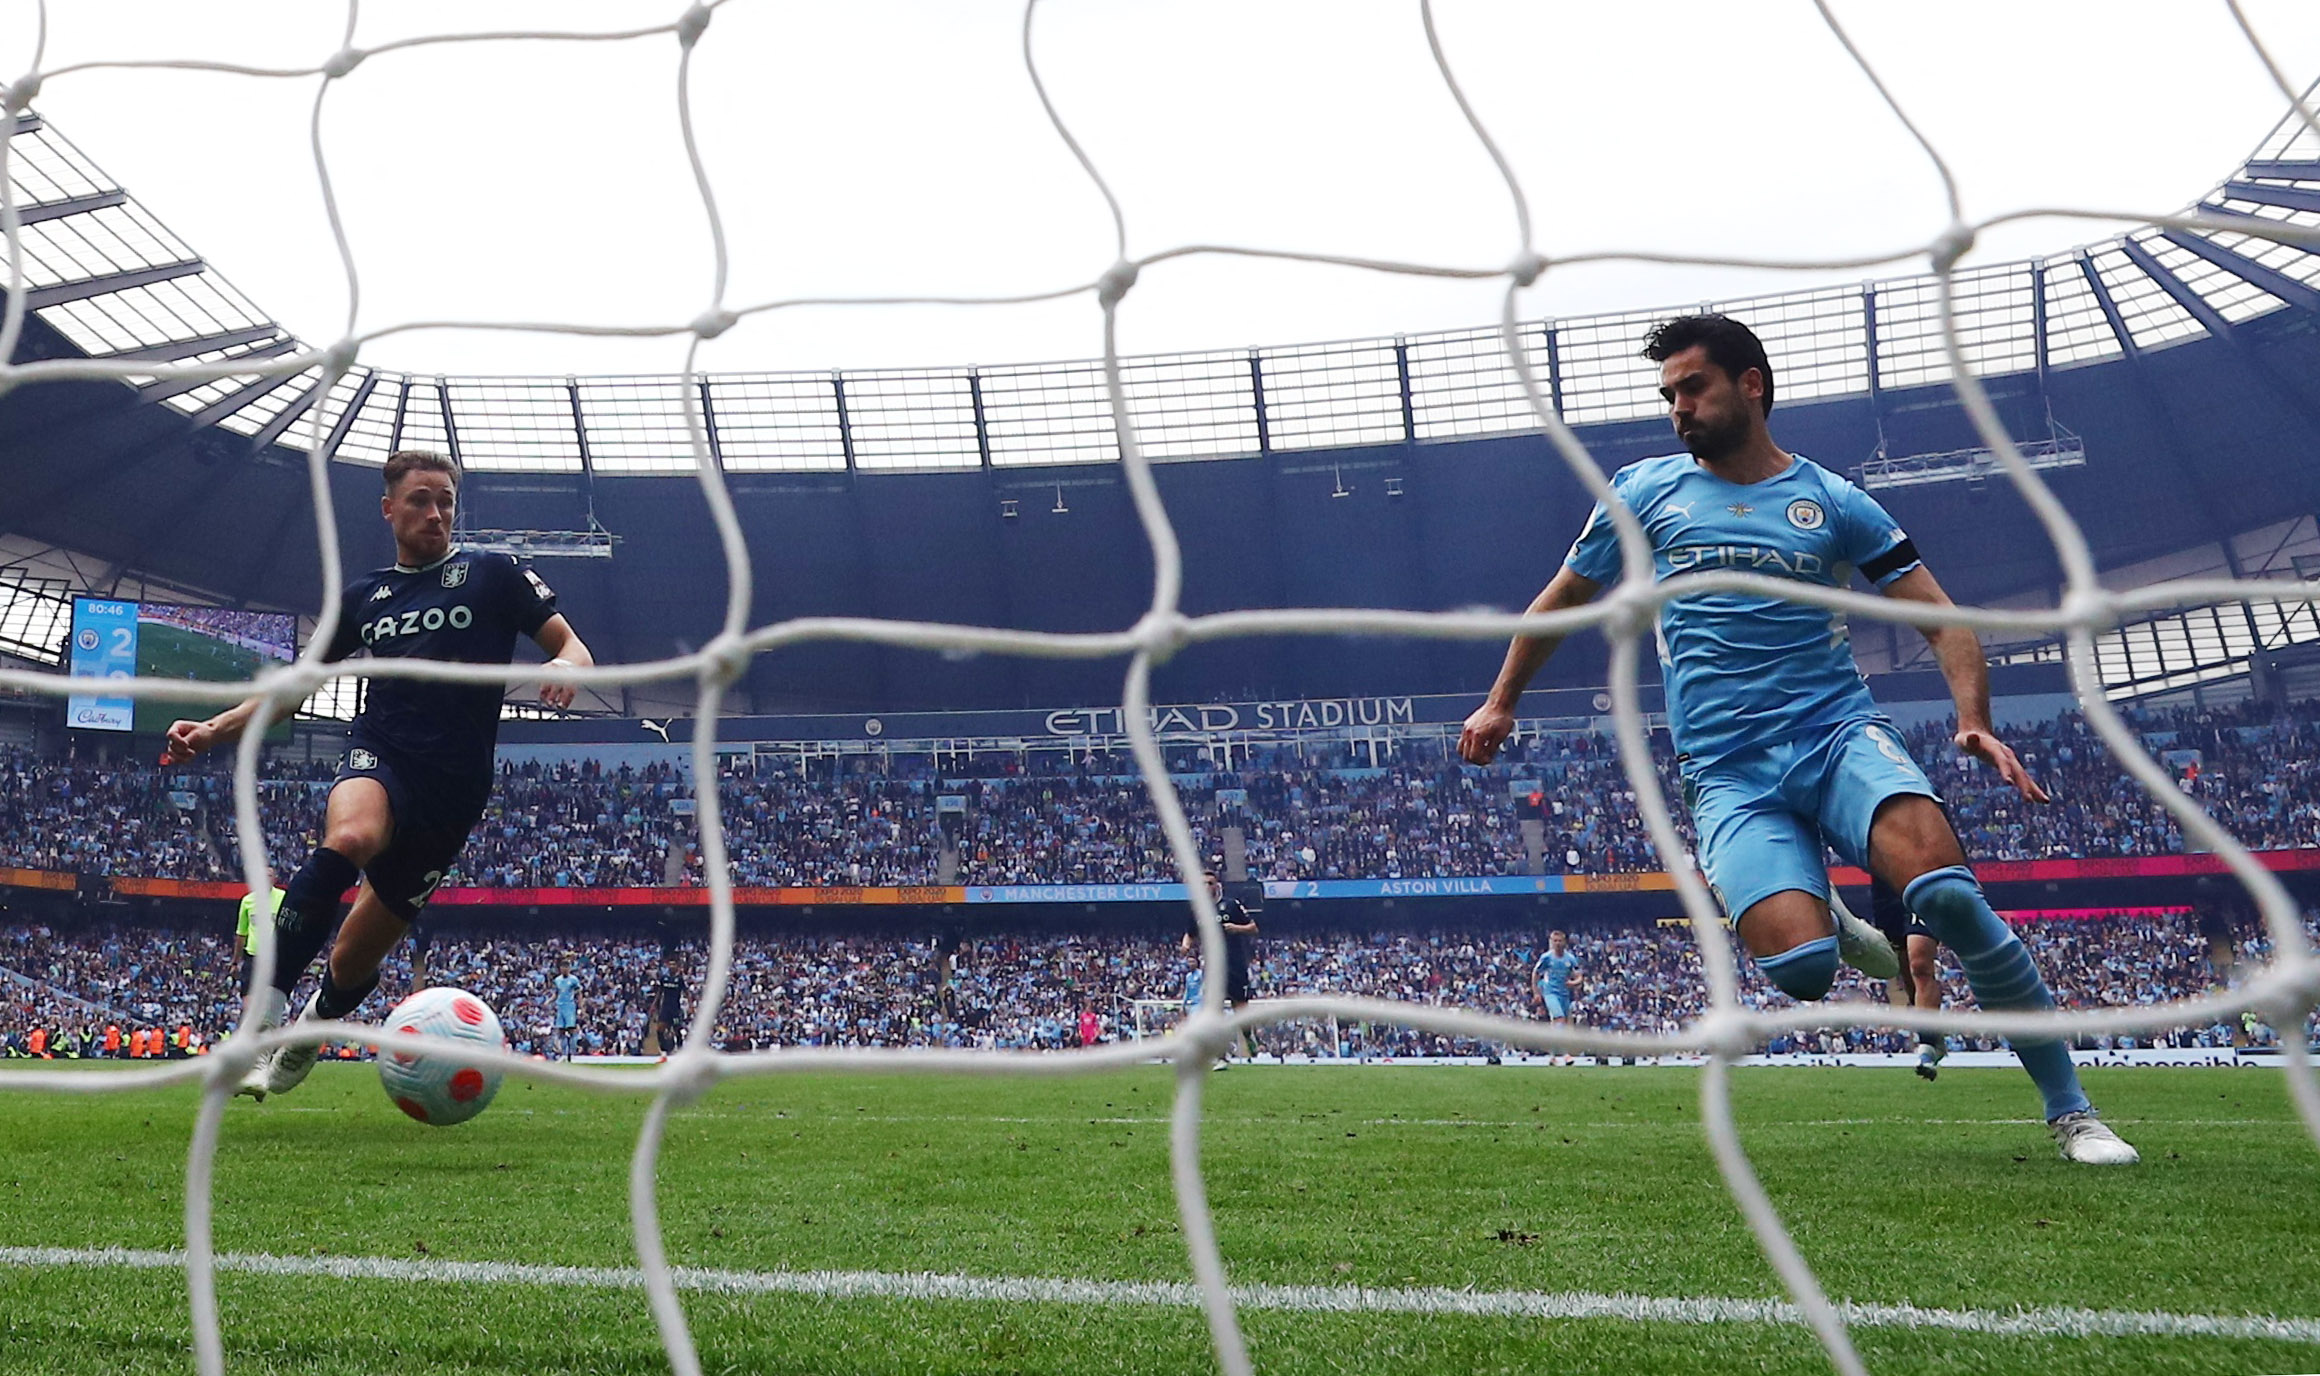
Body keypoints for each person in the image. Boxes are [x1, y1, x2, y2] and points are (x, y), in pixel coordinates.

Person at [1457, 314, 2135, 1166]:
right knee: (1805, 972)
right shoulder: (1642, 492)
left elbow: (1944, 619)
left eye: (1692, 387)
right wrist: (1501, 702)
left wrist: (1974, 721)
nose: (1678, 409)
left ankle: (2073, 1111)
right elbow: (1560, 601)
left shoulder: (1835, 501)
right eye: (1667, 395)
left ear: (1751, 385)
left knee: (1952, 898)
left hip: (1837, 736)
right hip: (1729, 772)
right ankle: (1842, 926)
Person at [161, 449, 595, 1101]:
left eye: (445, 499)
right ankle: (264, 1014)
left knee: (353, 959)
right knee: (353, 835)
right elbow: (291, 691)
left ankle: (309, 1029)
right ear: (390, 509)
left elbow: (573, 645)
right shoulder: (364, 597)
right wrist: (214, 729)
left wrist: (566, 668)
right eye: (420, 499)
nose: (435, 512)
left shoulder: (493, 574)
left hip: (454, 786)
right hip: (381, 747)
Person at [1856, 875, 1949, 1080]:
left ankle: (1927, 1047)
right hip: (1887, 885)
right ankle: (1933, 1035)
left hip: (1920, 877)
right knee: (1907, 967)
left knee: (1920, 964)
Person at [1181, 872, 1261, 1062]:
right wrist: (1185, 945)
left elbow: (1254, 928)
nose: (1206, 887)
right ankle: (1221, 1057)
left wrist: (1236, 928)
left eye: (1209, 883)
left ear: (1216, 886)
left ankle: (1249, 1037)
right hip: (1212, 968)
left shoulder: (1231, 905)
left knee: (1240, 1009)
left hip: (1234, 964)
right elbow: (1190, 933)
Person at [551, 965, 583, 1062]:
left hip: (569, 1007)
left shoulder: (573, 980)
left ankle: (573, 1051)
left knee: (571, 1029)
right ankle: (562, 1052)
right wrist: (549, 1001)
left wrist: (580, 1006)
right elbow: (556, 993)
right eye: (562, 968)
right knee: (560, 1030)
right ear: (560, 969)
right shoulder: (557, 980)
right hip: (560, 1006)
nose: (564, 970)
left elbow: (579, 993)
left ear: (569, 969)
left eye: (566, 968)